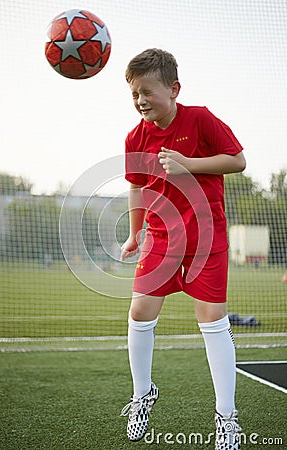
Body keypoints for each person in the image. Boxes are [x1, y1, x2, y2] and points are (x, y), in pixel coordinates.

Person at [120, 48, 246, 450]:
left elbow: (238, 160)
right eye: (134, 93)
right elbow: (137, 186)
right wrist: (135, 232)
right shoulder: (135, 137)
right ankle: (143, 395)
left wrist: (190, 164)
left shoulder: (201, 119)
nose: (141, 100)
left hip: (206, 241)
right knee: (140, 311)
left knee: (211, 320)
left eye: (147, 92)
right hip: (160, 240)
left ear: (173, 89)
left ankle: (226, 416)